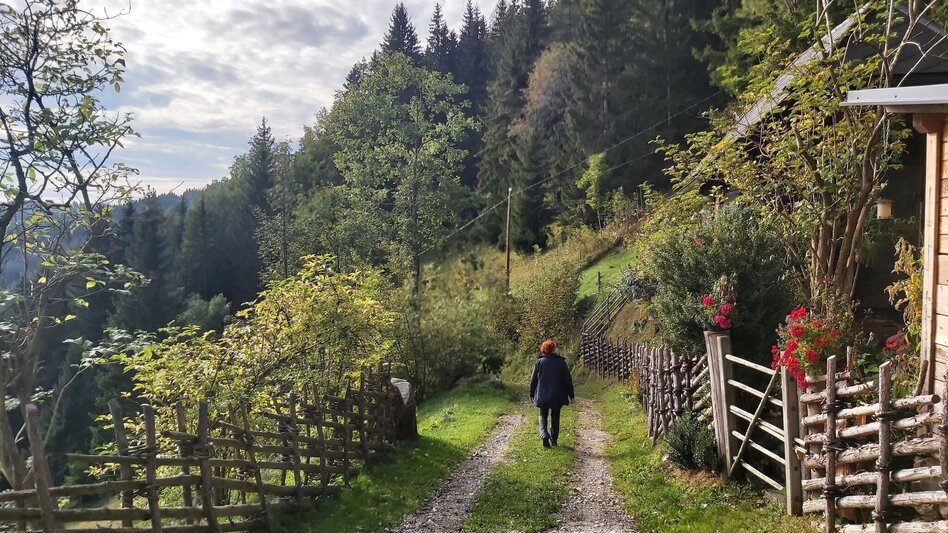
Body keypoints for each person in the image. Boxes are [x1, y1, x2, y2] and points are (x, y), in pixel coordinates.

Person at [528, 340, 575, 448]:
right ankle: (553, 440)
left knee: (542, 415)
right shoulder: (561, 362)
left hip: (542, 395)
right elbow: (567, 380)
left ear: (543, 349)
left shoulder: (539, 362)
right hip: (557, 396)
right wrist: (571, 395)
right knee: (555, 417)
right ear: (554, 349)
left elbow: (533, 379)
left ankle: (543, 433)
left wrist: (531, 393)